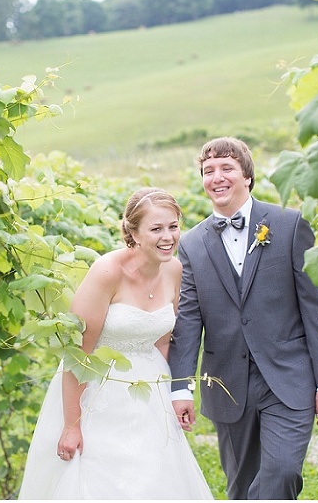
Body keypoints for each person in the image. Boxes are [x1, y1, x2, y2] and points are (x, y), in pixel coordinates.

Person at [168, 137, 318, 500]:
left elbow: (315, 307)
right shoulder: (192, 244)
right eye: (208, 170)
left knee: (281, 472)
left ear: (247, 176)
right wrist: (181, 386)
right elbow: (188, 320)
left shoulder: (290, 224)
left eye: (226, 168)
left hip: (289, 376)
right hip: (227, 382)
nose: (217, 177)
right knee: (241, 484)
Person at [18, 187, 213, 500]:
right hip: (98, 389)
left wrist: (176, 392)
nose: (168, 237)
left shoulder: (174, 270)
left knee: (154, 478)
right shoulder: (107, 272)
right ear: (133, 232)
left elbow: (164, 342)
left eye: (173, 226)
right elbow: (78, 353)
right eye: (156, 228)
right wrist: (71, 424)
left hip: (150, 392)